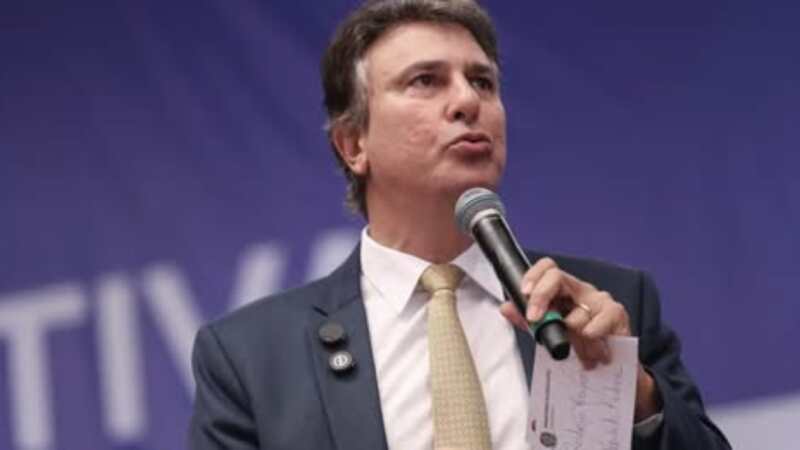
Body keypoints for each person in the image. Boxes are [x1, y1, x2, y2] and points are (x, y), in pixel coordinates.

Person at [189, 1, 730, 449]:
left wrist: (631, 392)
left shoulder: (606, 306)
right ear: (353, 144)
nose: (468, 101)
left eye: (482, 81)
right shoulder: (250, 357)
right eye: (426, 81)